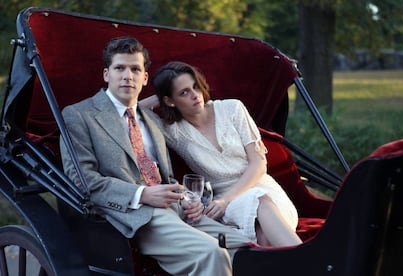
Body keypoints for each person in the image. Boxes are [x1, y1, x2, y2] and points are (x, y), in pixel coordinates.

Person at [60, 36, 250, 276]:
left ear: (145, 78)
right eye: (120, 68)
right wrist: (141, 194)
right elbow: (82, 180)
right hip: (133, 214)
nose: (127, 76)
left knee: (245, 248)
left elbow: (166, 176)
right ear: (107, 74)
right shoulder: (80, 115)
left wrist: (185, 199)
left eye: (135, 69)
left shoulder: (153, 119)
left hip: (175, 208)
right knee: (211, 252)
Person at [152, 61, 303, 247]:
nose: (195, 95)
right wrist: (161, 97)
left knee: (263, 219)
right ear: (169, 101)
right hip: (226, 203)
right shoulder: (173, 131)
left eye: (195, 86)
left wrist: (225, 200)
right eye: (184, 92)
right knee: (261, 223)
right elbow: (134, 110)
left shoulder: (232, 108)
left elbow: (258, 164)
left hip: (259, 187)